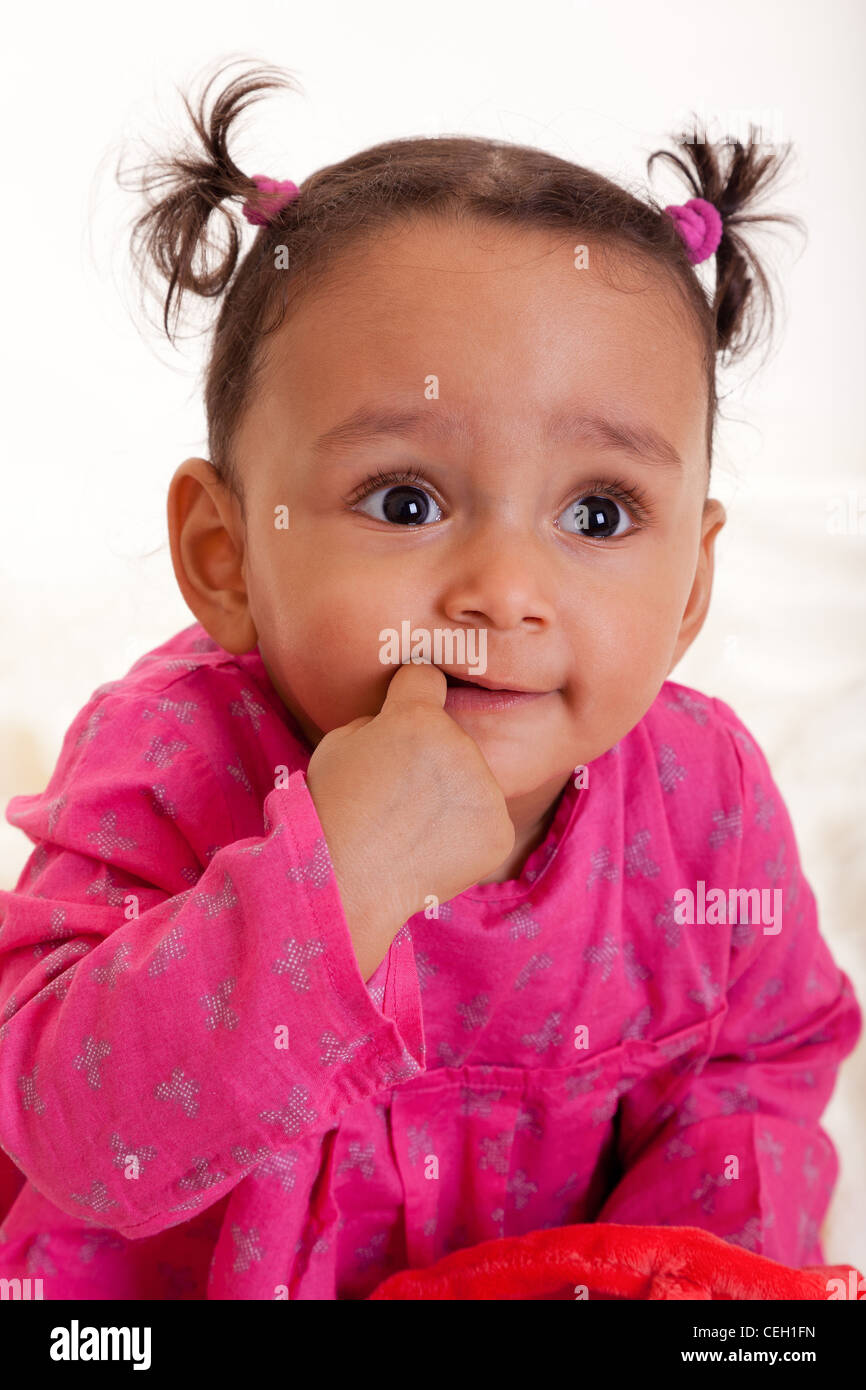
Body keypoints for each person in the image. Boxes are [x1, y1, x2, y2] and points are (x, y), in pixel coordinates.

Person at [0, 59, 859, 1300]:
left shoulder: (701, 798)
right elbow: (74, 1136)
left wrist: (656, 1271)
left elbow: (759, 1069)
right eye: (405, 500)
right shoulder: (170, 762)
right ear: (224, 554)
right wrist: (332, 884)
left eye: (599, 512)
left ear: (688, 591)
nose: (504, 588)